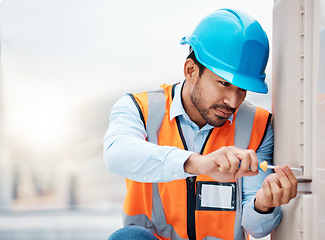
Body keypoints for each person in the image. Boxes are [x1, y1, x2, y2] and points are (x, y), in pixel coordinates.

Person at [104, 8, 297, 240]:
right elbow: (116, 154)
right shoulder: (139, 108)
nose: (233, 101)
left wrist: (263, 205)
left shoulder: (259, 125)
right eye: (224, 83)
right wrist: (197, 164)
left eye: (242, 89)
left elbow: (256, 229)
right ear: (191, 71)